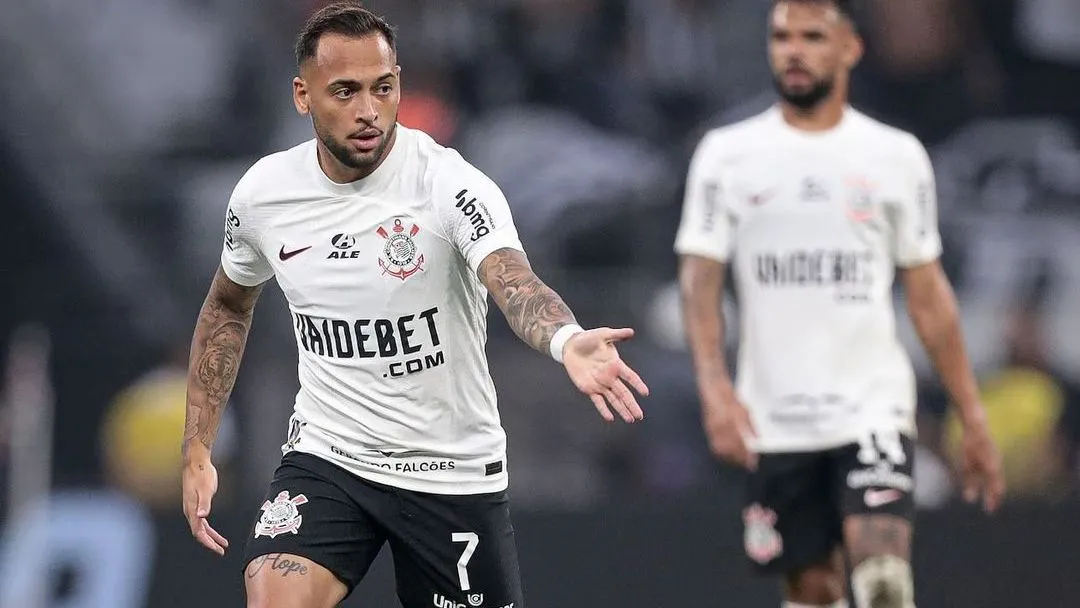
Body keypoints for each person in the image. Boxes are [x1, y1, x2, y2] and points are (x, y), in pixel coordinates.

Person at [180, 4, 649, 608]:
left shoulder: (449, 185)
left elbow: (513, 280)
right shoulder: (264, 195)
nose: (368, 110)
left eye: (383, 88)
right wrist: (198, 448)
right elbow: (227, 305)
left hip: (448, 470)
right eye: (345, 91)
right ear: (302, 96)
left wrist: (566, 339)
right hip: (329, 457)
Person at [674, 1, 1005, 607]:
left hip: (871, 405)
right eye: (781, 37)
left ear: (850, 48)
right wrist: (715, 389)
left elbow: (928, 295)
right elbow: (701, 279)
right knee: (814, 591)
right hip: (774, 416)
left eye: (812, 37)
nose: (794, 51)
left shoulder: (895, 155)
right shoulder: (725, 154)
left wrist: (972, 414)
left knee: (883, 576)